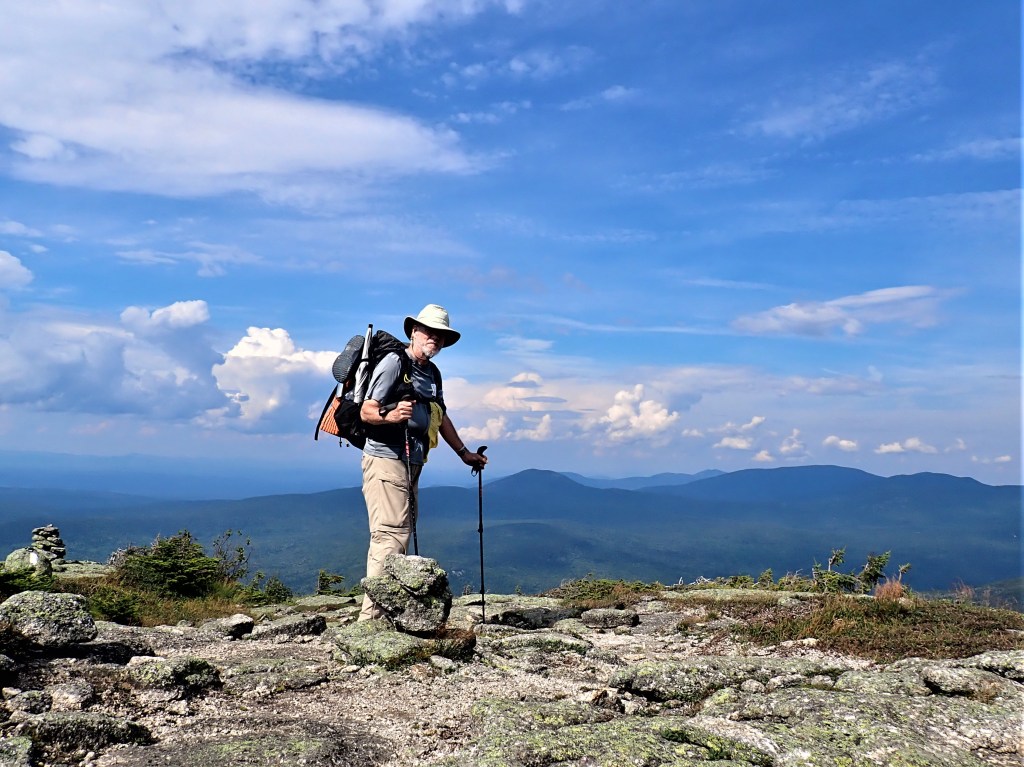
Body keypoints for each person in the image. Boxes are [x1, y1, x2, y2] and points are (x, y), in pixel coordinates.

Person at [357, 304, 487, 621]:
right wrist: (390, 415)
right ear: (414, 332)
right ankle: (371, 620)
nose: (435, 339)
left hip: (413, 463)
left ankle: (386, 612)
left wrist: (464, 453)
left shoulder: (431, 373)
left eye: (441, 335)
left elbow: (439, 417)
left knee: (402, 532)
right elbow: (366, 410)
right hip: (385, 459)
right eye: (430, 332)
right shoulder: (393, 363)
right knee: (390, 536)